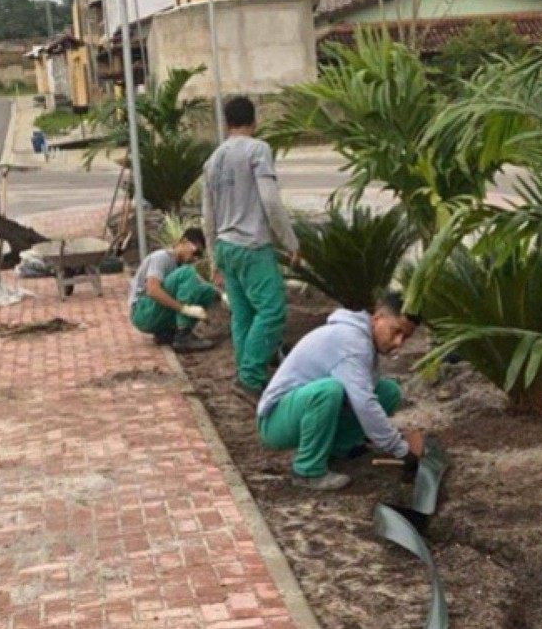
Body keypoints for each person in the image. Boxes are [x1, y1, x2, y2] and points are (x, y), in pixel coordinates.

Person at [256, 293, 426, 491]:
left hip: (301, 410)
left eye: (405, 337)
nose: (398, 342)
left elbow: (365, 396)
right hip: (275, 421)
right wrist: (402, 450)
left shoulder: (364, 342)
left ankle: (339, 449)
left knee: (387, 392)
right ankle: (307, 471)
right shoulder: (353, 343)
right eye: (395, 331)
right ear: (378, 318)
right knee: (329, 391)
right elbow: (364, 405)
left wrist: (393, 441)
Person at [202, 96, 299, 403]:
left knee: (242, 316)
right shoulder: (258, 150)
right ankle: (250, 378)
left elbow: (208, 217)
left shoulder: (212, 161)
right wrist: (291, 242)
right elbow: (270, 201)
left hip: (226, 247)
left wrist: (212, 257)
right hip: (252, 246)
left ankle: (245, 375)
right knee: (271, 312)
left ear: (226, 123)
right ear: (254, 121)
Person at [128, 227, 217, 353]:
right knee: (187, 272)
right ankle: (183, 336)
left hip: (155, 313)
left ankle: (168, 333)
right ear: (183, 242)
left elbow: (205, 286)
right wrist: (185, 309)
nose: (196, 258)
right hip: (142, 311)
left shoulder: (182, 266)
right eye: (196, 252)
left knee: (207, 291)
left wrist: (225, 296)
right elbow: (152, 290)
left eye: (200, 256)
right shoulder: (162, 257)